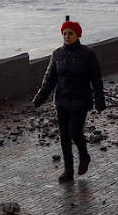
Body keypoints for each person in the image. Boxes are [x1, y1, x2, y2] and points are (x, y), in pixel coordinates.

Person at [32, 20, 105, 182]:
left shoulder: (88, 54)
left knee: (74, 131)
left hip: (81, 99)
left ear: (78, 35)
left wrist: (99, 100)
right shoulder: (57, 54)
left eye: (70, 33)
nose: (67, 36)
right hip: (62, 100)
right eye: (64, 34)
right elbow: (49, 79)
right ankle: (68, 169)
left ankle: (84, 156)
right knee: (64, 135)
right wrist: (39, 98)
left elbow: (96, 79)